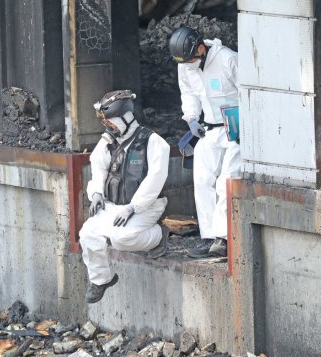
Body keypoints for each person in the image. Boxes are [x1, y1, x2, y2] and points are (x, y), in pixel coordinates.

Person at [79, 90, 170, 303]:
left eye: (111, 123)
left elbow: (156, 178)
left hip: (146, 207)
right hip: (113, 206)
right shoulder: (107, 142)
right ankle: (102, 279)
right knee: (88, 234)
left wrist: (133, 207)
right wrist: (96, 194)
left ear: (125, 118)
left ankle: (159, 236)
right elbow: (98, 168)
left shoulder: (153, 141)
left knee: (121, 238)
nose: (108, 127)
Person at [168, 27, 240, 258]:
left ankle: (224, 238)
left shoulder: (228, 59)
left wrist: (246, 126)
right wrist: (191, 118)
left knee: (225, 184)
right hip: (209, 128)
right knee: (201, 180)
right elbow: (187, 92)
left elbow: (250, 92)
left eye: (191, 59)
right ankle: (209, 237)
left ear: (201, 48)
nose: (189, 65)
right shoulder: (184, 65)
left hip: (236, 130)